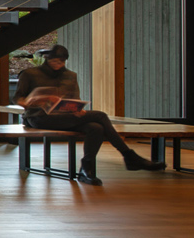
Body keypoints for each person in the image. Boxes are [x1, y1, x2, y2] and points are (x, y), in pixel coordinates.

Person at [14, 44, 164, 185]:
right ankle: (129, 156)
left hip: (64, 116)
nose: (57, 64)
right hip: (38, 117)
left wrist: (76, 109)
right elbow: (17, 99)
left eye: (61, 61)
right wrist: (37, 101)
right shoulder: (30, 74)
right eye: (54, 61)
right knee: (100, 116)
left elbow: (74, 99)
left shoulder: (70, 76)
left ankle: (86, 170)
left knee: (95, 127)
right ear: (47, 59)